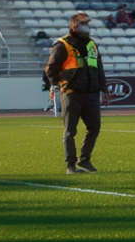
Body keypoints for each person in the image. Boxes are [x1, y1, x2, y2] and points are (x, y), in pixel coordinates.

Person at [46, 13, 108, 174]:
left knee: (94, 128)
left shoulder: (92, 44)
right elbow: (51, 69)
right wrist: (61, 83)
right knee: (70, 131)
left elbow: (98, 69)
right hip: (72, 93)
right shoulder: (62, 45)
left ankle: (85, 160)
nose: (87, 26)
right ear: (74, 26)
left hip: (91, 93)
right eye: (83, 23)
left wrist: (104, 89)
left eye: (87, 23)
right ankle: (70, 165)